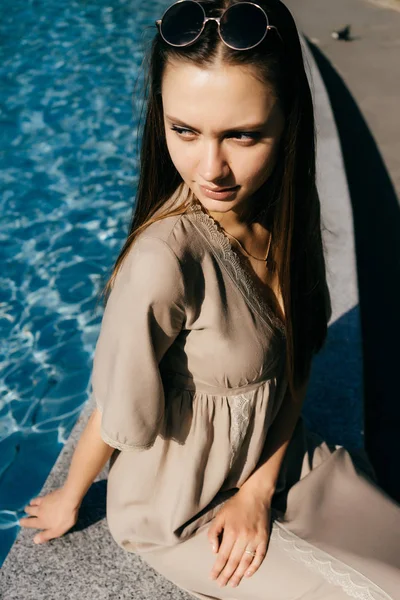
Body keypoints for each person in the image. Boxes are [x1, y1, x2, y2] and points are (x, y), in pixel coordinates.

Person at [19, 1, 400, 598]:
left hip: (277, 458)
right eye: (184, 131)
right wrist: (70, 498)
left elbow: (298, 361)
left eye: (242, 135)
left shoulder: (285, 219)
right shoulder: (165, 260)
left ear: (288, 119)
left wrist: (257, 488)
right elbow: (117, 402)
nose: (210, 168)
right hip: (182, 508)